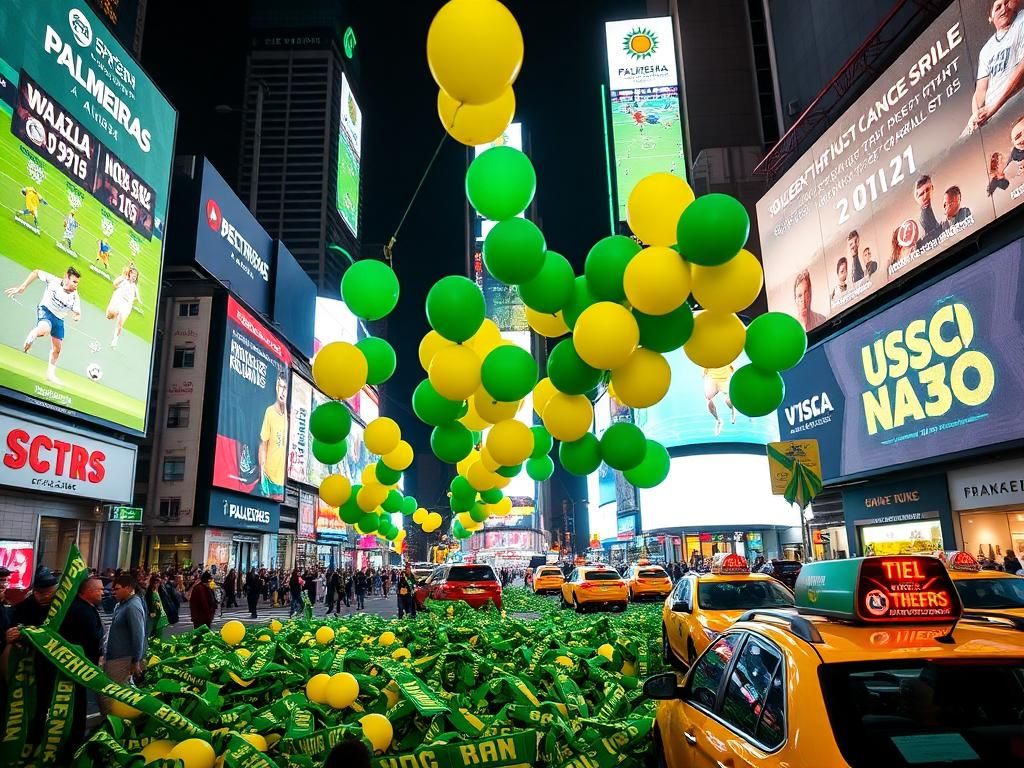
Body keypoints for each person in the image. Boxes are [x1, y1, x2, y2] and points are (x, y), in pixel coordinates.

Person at [1, 568, 58, 748]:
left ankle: (34, 741)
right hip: (23, 667)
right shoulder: (21, 608)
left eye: (49, 593)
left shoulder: (61, 608)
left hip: (48, 667)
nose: (45, 597)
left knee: (41, 706)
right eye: (40, 593)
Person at [5, 266, 82, 385]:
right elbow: (36, 272)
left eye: (77, 283)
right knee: (45, 330)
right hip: (46, 310)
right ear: (66, 277)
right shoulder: (53, 281)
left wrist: (76, 316)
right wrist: (23, 286)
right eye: (74, 281)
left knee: (57, 349)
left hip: (59, 320)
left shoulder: (75, 296)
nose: (76, 285)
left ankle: (50, 375)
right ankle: (34, 333)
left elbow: (78, 312)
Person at [60, 577, 104, 761]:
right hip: (78, 665)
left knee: (79, 703)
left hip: (81, 664)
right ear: (87, 591)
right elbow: (90, 638)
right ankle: (73, 742)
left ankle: (75, 738)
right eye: (99, 590)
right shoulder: (81, 610)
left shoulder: (85, 607)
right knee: (77, 703)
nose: (103, 592)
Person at [967, 0, 1024, 134]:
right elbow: (980, 91)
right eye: (998, 7)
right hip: (990, 112)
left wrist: (994, 108)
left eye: (1006, 3)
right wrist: (976, 114)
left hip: (1011, 102)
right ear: (990, 18)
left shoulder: (1021, 21)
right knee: (960, 141)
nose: (1004, 9)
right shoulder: (986, 50)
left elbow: (1022, 68)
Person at [102, 573, 147, 714]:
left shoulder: (133, 606)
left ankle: (111, 724)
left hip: (123, 659)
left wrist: (136, 661)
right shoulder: (121, 604)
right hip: (114, 656)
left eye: (117, 589)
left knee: (109, 695)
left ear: (128, 588)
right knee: (116, 693)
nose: (113, 592)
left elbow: (138, 635)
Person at [259, 373, 289, 499]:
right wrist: (262, 475)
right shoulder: (270, 412)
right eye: (280, 387)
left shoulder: (288, 416)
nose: (282, 391)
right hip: (269, 478)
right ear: (276, 388)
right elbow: (263, 444)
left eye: (285, 388)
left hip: (282, 480)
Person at [106, 265, 142, 348]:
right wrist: (122, 277)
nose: (134, 276)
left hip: (126, 306)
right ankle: (111, 313)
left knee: (120, 324)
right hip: (118, 300)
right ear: (129, 273)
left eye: (135, 276)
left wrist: (135, 300)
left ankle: (115, 340)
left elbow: (138, 298)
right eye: (133, 274)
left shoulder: (135, 287)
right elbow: (114, 283)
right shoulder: (123, 280)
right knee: (109, 316)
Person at [703, 365, 736, 437]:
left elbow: (731, 366)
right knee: (708, 401)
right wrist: (705, 375)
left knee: (728, 400)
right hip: (711, 378)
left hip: (724, 378)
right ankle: (718, 421)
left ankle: (733, 410)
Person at [914, 175, 943, 249]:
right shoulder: (922, 218)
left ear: (932, 188)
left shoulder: (941, 206)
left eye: (927, 190)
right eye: (921, 194)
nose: (925, 195)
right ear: (916, 197)